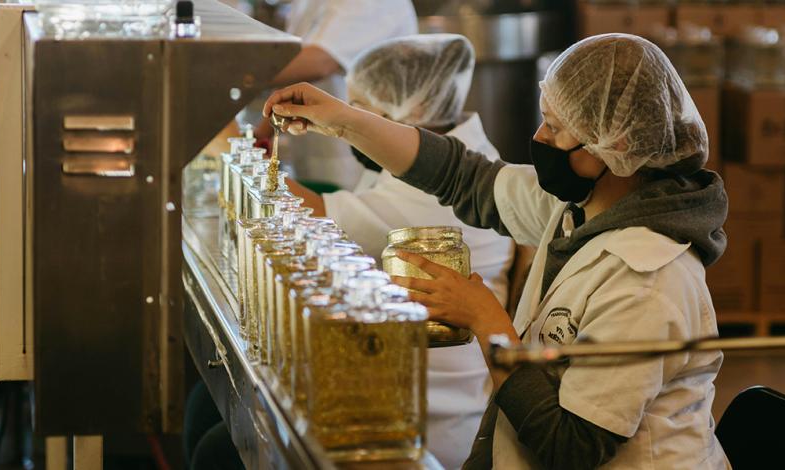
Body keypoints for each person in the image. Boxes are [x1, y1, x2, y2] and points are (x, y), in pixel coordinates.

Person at [263, 33, 729, 469]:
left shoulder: (649, 279)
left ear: (617, 144)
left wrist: (487, 322)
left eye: (554, 127)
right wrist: (344, 120)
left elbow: (571, 446)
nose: (540, 139)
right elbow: (462, 177)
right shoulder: (580, 207)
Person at [286, 34, 514, 469]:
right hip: (398, 386)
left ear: (408, 111)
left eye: (359, 113)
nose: (350, 126)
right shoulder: (453, 148)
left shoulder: (433, 195)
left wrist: (229, 147)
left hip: (429, 419)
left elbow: (308, 217)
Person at [263, 0, 418, 190]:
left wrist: (234, 74)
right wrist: (263, 131)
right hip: (316, 144)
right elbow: (294, 73)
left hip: (356, 154)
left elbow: (319, 61)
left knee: (347, 212)